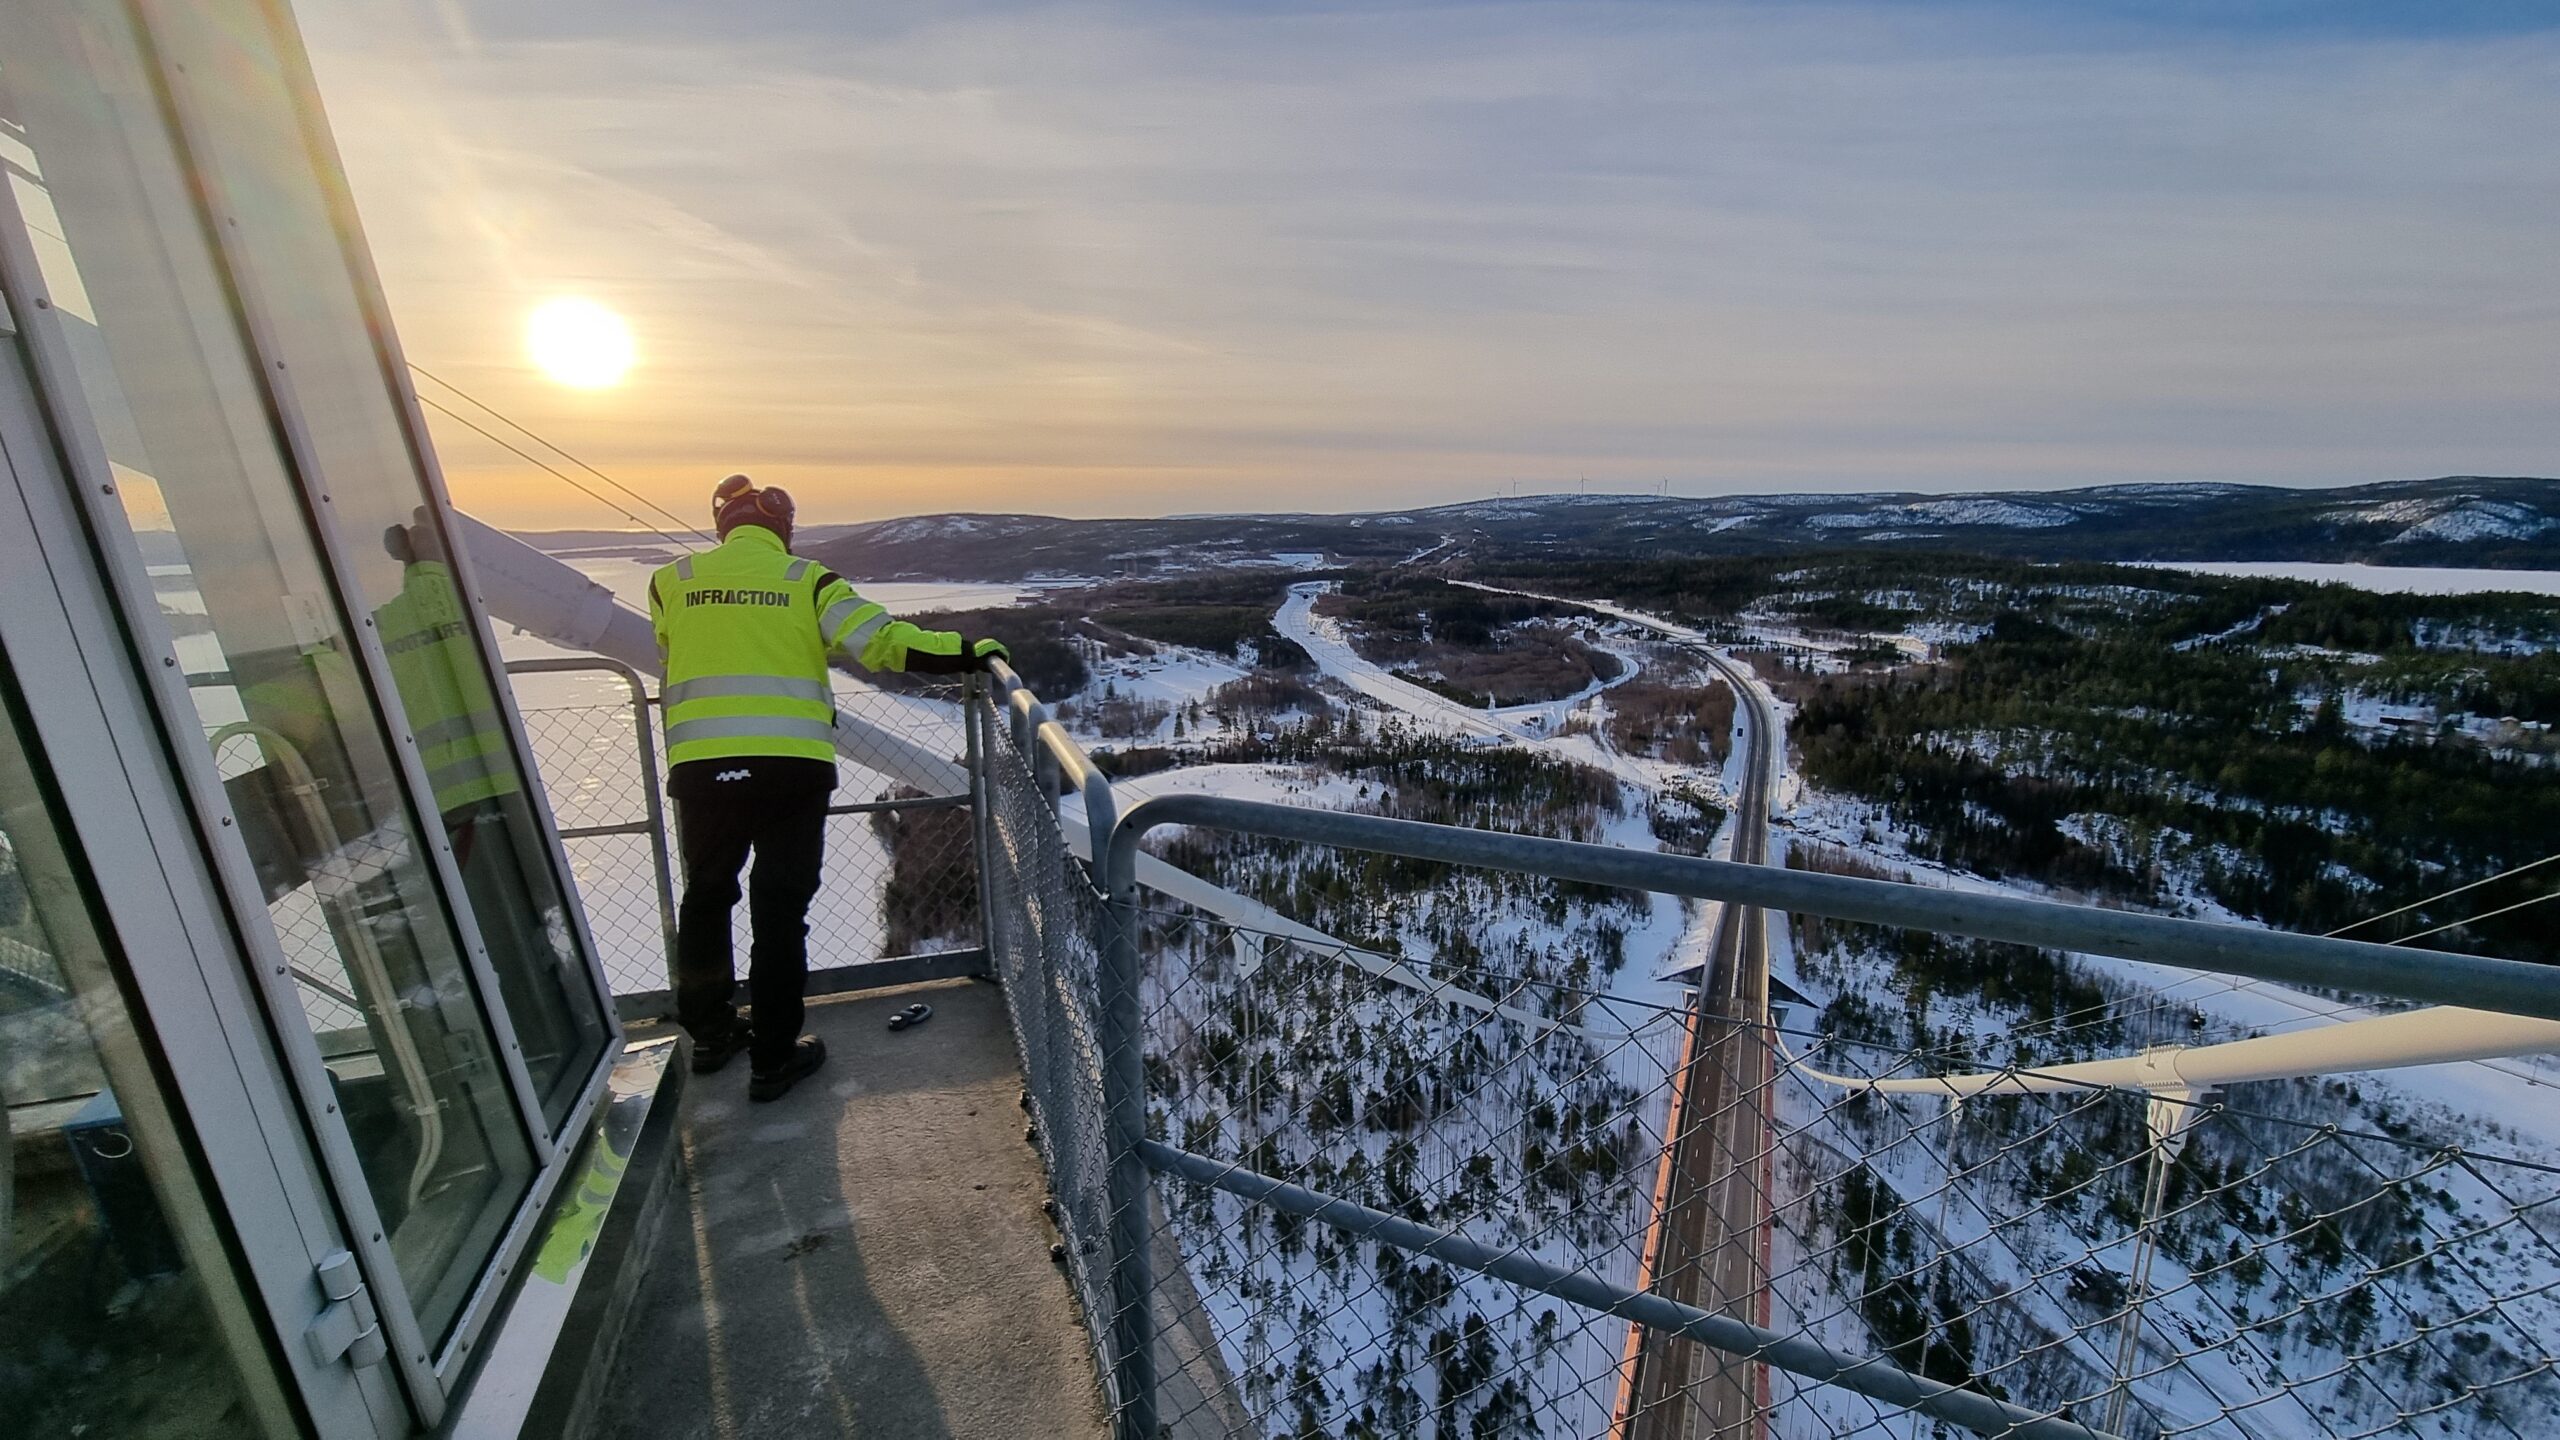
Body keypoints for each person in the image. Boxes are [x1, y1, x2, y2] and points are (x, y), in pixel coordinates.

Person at [650, 475, 1007, 1101]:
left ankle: (708, 1033)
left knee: (707, 897)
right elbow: (884, 643)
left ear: (721, 525)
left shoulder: (670, 582)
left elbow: (670, 647)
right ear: (782, 528)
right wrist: (967, 651)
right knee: (779, 911)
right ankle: (773, 1056)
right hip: (792, 769)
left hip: (703, 768)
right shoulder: (808, 581)